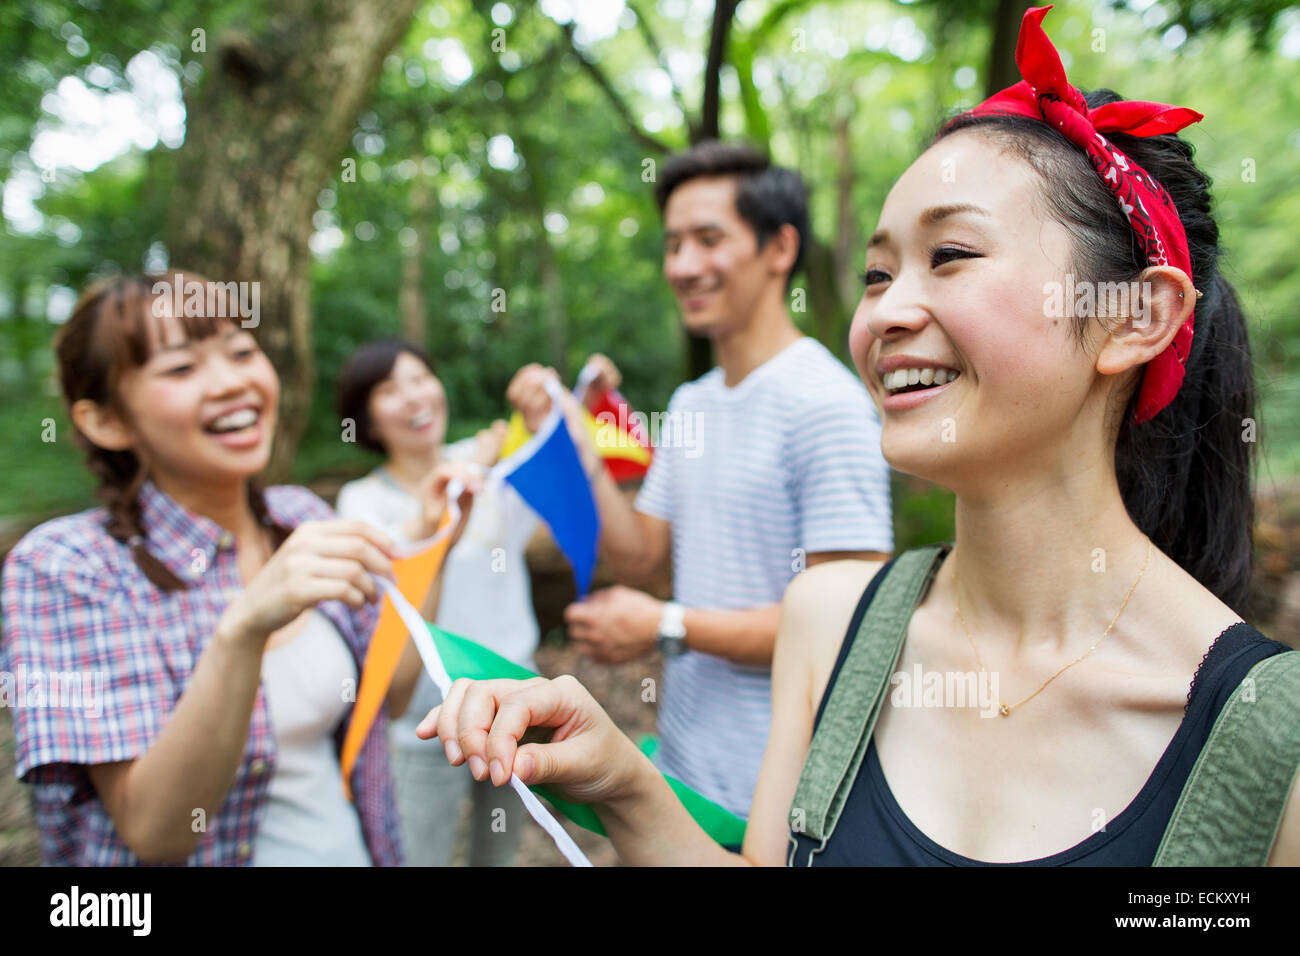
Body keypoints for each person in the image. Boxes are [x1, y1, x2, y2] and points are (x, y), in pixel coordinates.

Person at [419, 7, 1300, 865]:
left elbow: (668, 595)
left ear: (1131, 316)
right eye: (879, 273)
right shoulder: (829, 607)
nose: (887, 312)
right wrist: (623, 778)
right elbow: (645, 555)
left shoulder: (1271, 750)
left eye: (951, 255)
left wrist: (671, 624)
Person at [0, 272, 478, 866]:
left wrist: (437, 540)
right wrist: (243, 628)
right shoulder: (67, 567)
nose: (233, 383)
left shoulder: (301, 517)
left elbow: (395, 692)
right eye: (181, 368)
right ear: (107, 422)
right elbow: (157, 832)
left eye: (242, 352)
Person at [506, 142, 894, 820]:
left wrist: (667, 625)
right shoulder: (693, 401)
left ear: (779, 248)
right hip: (681, 770)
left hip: (781, 797)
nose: (683, 265)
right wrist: (578, 442)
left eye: (709, 240)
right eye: (674, 243)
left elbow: (850, 625)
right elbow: (643, 559)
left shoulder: (826, 404)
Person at [335, 339, 536, 866]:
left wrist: (565, 400)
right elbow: (388, 612)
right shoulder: (361, 505)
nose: (413, 397)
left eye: (421, 378)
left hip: (515, 709)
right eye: (389, 389)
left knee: (499, 857)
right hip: (425, 725)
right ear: (368, 420)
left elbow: (551, 448)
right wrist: (442, 529)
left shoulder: (490, 462)